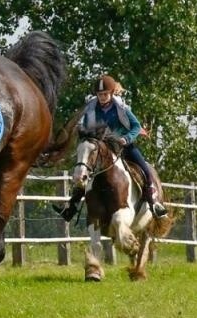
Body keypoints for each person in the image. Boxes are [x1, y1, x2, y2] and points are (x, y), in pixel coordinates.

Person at [58, 75, 167, 221]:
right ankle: (72, 206)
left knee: (145, 169)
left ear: (111, 93)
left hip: (124, 146)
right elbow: (84, 126)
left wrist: (126, 138)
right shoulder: (91, 108)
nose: (102, 97)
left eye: (105, 94)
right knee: (83, 170)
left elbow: (136, 127)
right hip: (102, 148)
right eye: (99, 94)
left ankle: (154, 203)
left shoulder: (121, 108)